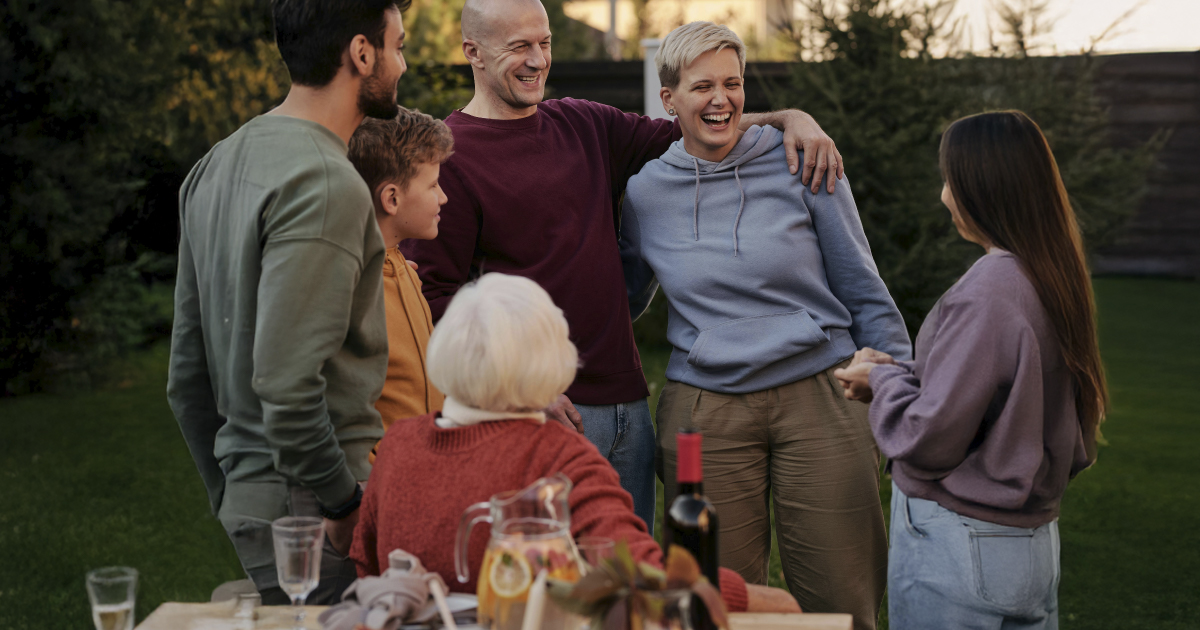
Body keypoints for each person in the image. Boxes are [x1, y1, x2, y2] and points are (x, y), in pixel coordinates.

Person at [402, 0, 848, 533]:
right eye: (519, 46)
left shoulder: (584, 123)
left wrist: (790, 119)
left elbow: (699, 125)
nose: (537, 59)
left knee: (630, 573)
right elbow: (432, 298)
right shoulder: (452, 158)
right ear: (473, 51)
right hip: (544, 411)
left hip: (628, 407)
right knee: (551, 571)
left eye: (544, 43)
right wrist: (516, 389)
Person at [619, 22, 911, 630]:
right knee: (715, 602)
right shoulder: (644, 193)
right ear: (669, 98)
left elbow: (861, 282)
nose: (721, 99)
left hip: (823, 396)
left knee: (841, 598)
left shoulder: (801, 158)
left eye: (733, 83)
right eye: (703, 86)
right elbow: (623, 296)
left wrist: (899, 392)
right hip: (707, 411)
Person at [349, 272, 801, 615]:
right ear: (552, 359)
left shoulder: (399, 443)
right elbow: (640, 574)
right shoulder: (557, 454)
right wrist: (766, 600)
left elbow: (367, 566)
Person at [167, 0, 410, 604]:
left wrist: (233, 492)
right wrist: (344, 504)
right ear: (361, 53)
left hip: (261, 499)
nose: (403, 65)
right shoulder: (326, 181)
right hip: (315, 509)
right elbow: (287, 382)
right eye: (399, 46)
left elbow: (186, 376)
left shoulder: (216, 162)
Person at [834, 110, 1104, 629]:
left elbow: (931, 435)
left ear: (985, 189)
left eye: (950, 180)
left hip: (961, 546)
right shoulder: (1054, 275)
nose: (943, 196)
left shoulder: (989, 291)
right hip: (1034, 544)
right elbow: (1000, 390)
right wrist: (905, 373)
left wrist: (879, 381)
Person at [346, 109, 453, 457]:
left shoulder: (406, 271)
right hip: (379, 480)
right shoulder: (349, 286)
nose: (443, 197)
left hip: (424, 471)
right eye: (433, 185)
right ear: (391, 199)